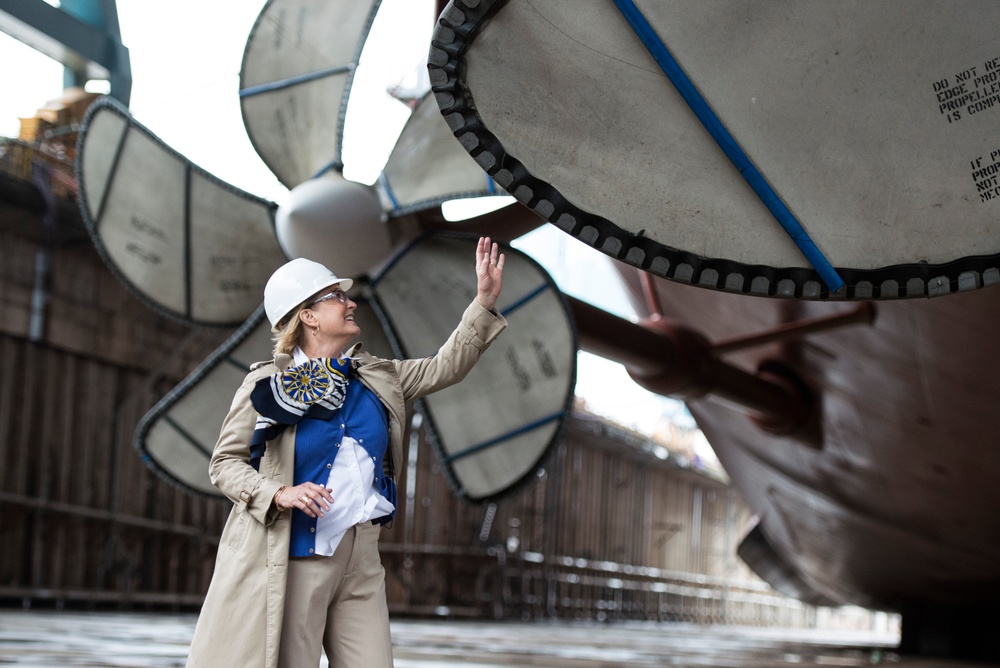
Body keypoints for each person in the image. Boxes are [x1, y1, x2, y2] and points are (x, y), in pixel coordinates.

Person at [186, 237, 507, 668]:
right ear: (308, 316)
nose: (349, 302)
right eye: (336, 297)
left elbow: (445, 365)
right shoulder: (265, 387)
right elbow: (224, 464)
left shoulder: (378, 377)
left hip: (361, 556)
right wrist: (280, 494)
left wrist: (483, 302)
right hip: (299, 556)